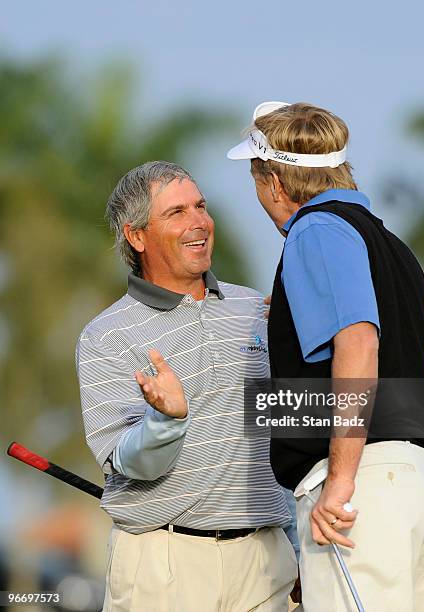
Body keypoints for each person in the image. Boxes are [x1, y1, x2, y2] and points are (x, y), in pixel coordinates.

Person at [227, 102, 424, 611]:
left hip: (365, 489)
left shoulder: (316, 229)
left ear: (273, 181)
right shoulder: (393, 245)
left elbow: (358, 342)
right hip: (423, 484)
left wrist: (342, 480)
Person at [75, 161, 297, 611]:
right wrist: (166, 420)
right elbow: (128, 463)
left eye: (201, 206)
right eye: (176, 212)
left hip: (267, 557)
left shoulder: (257, 309)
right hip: (165, 564)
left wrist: (297, 544)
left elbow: (283, 433)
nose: (199, 222)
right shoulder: (105, 335)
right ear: (136, 236)